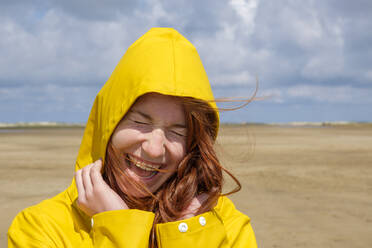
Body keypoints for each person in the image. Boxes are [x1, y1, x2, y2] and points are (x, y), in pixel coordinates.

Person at [8, 28, 257, 247]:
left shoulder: (226, 227)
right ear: (109, 124)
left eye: (178, 131)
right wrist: (118, 226)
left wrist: (188, 236)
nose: (154, 149)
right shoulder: (41, 229)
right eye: (140, 122)